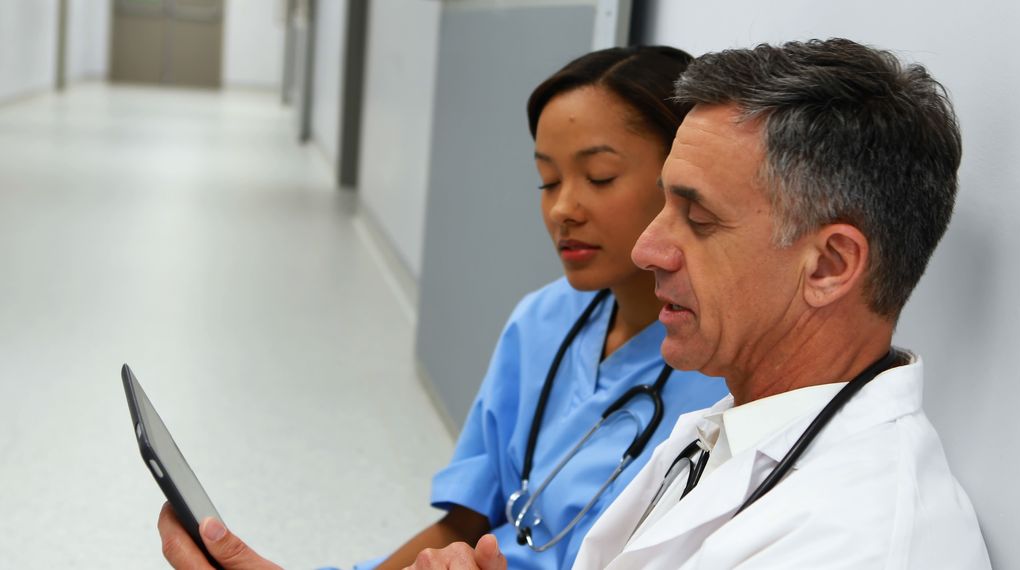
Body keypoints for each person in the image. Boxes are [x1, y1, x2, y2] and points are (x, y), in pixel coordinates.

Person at [399, 38, 993, 569]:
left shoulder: (854, 544)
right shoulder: (732, 425)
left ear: (830, 265)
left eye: (699, 218)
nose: (648, 248)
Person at [156, 46, 730, 570]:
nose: (563, 209)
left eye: (598, 177)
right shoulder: (541, 324)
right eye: (547, 181)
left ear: (682, 180)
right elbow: (466, 521)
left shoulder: (725, 374)